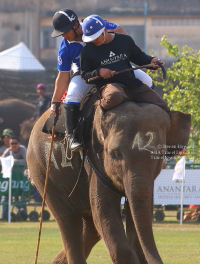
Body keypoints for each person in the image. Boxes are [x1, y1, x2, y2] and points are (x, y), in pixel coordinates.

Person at [50, 9, 154, 153]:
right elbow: (63, 76)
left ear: (75, 26)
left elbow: (120, 32)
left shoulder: (93, 24)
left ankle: (148, 119)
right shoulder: (65, 46)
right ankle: (72, 136)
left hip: (116, 66)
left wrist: (118, 56)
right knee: (72, 95)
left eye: (65, 31)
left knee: (148, 81)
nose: (64, 36)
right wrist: (55, 101)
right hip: (87, 75)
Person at [80, 15, 170, 114]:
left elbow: (139, 57)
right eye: (91, 38)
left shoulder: (125, 40)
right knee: (114, 97)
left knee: (162, 106)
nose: (94, 40)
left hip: (132, 83)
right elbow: (85, 75)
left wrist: (151, 61)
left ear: (105, 30)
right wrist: (99, 72)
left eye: (96, 37)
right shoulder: (86, 51)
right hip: (109, 85)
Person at [1, 136, 27, 220]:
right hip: (10, 179)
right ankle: (4, 215)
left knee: (21, 196)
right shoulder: (8, 151)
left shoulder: (23, 149)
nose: (13, 145)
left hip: (21, 178)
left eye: (15, 143)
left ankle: (23, 214)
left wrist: (14, 161)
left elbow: (26, 160)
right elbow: (2, 160)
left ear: (19, 144)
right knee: (5, 196)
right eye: (11, 143)